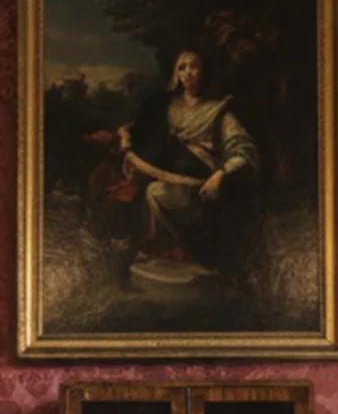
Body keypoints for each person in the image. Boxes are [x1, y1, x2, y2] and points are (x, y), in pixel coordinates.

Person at [98, 50, 260, 282]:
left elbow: (243, 149)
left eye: (194, 66)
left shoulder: (218, 110)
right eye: (182, 67)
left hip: (200, 181)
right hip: (169, 174)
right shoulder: (167, 106)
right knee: (127, 192)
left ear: (203, 72)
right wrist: (126, 140)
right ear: (175, 74)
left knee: (157, 193)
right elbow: (141, 131)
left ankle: (181, 254)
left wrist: (221, 174)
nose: (188, 73)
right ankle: (160, 252)